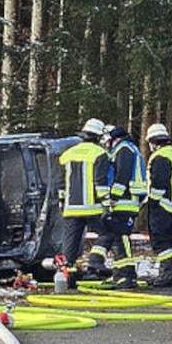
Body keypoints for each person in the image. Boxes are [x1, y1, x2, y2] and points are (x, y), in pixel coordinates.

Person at [58, 118, 111, 287]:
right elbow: (100, 182)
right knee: (107, 234)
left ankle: (68, 277)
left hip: (70, 208)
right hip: (92, 207)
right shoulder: (100, 154)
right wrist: (106, 203)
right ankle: (94, 263)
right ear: (98, 136)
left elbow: (61, 183)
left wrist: (62, 202)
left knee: (70, 244)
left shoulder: (67, 154)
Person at [98, 126, 147, 289]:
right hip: (125, 200)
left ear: (114, 139)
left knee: (121, 237)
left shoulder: (124, 150)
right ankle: (121, 274)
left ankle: (126, 274)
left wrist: (113, 197)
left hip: (124, 201)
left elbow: (122, 175)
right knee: (117, 238)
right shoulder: (127, 149)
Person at [145, 123, 172, 287]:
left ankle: (166, 272)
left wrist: (152, 201)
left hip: (162, 203)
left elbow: (159, 182)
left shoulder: (160, 156)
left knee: (160, 238)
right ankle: (168, 271)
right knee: (167, 239)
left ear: (153, 141)